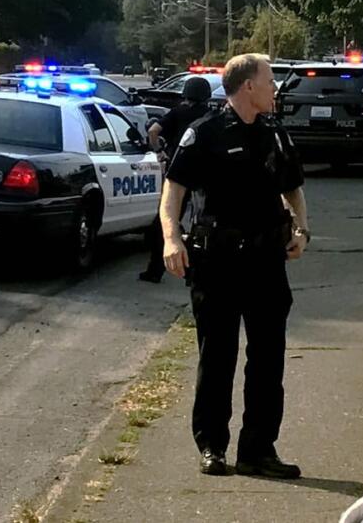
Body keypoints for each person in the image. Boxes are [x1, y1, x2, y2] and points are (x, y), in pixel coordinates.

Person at [160, 53, 310, 479]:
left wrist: (301, 229)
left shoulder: (274, 133)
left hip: (265, 261)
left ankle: (258, 449)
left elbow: (293, 189)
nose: (275, 88)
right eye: (270, 81)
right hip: (217, 262)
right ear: (248, 86)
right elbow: (173, 193)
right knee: (218, 355)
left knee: (268, 358)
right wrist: (171, 239)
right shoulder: (204, 133)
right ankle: (213, 446)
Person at [139, 76, 213, 284]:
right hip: (204, 177)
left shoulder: (178, 112)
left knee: (165, 221)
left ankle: (154, 271)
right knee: (199, 224)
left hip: (178, 174)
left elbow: (153, 131)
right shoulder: (210, 115)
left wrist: (160, 151)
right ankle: (193, 272)